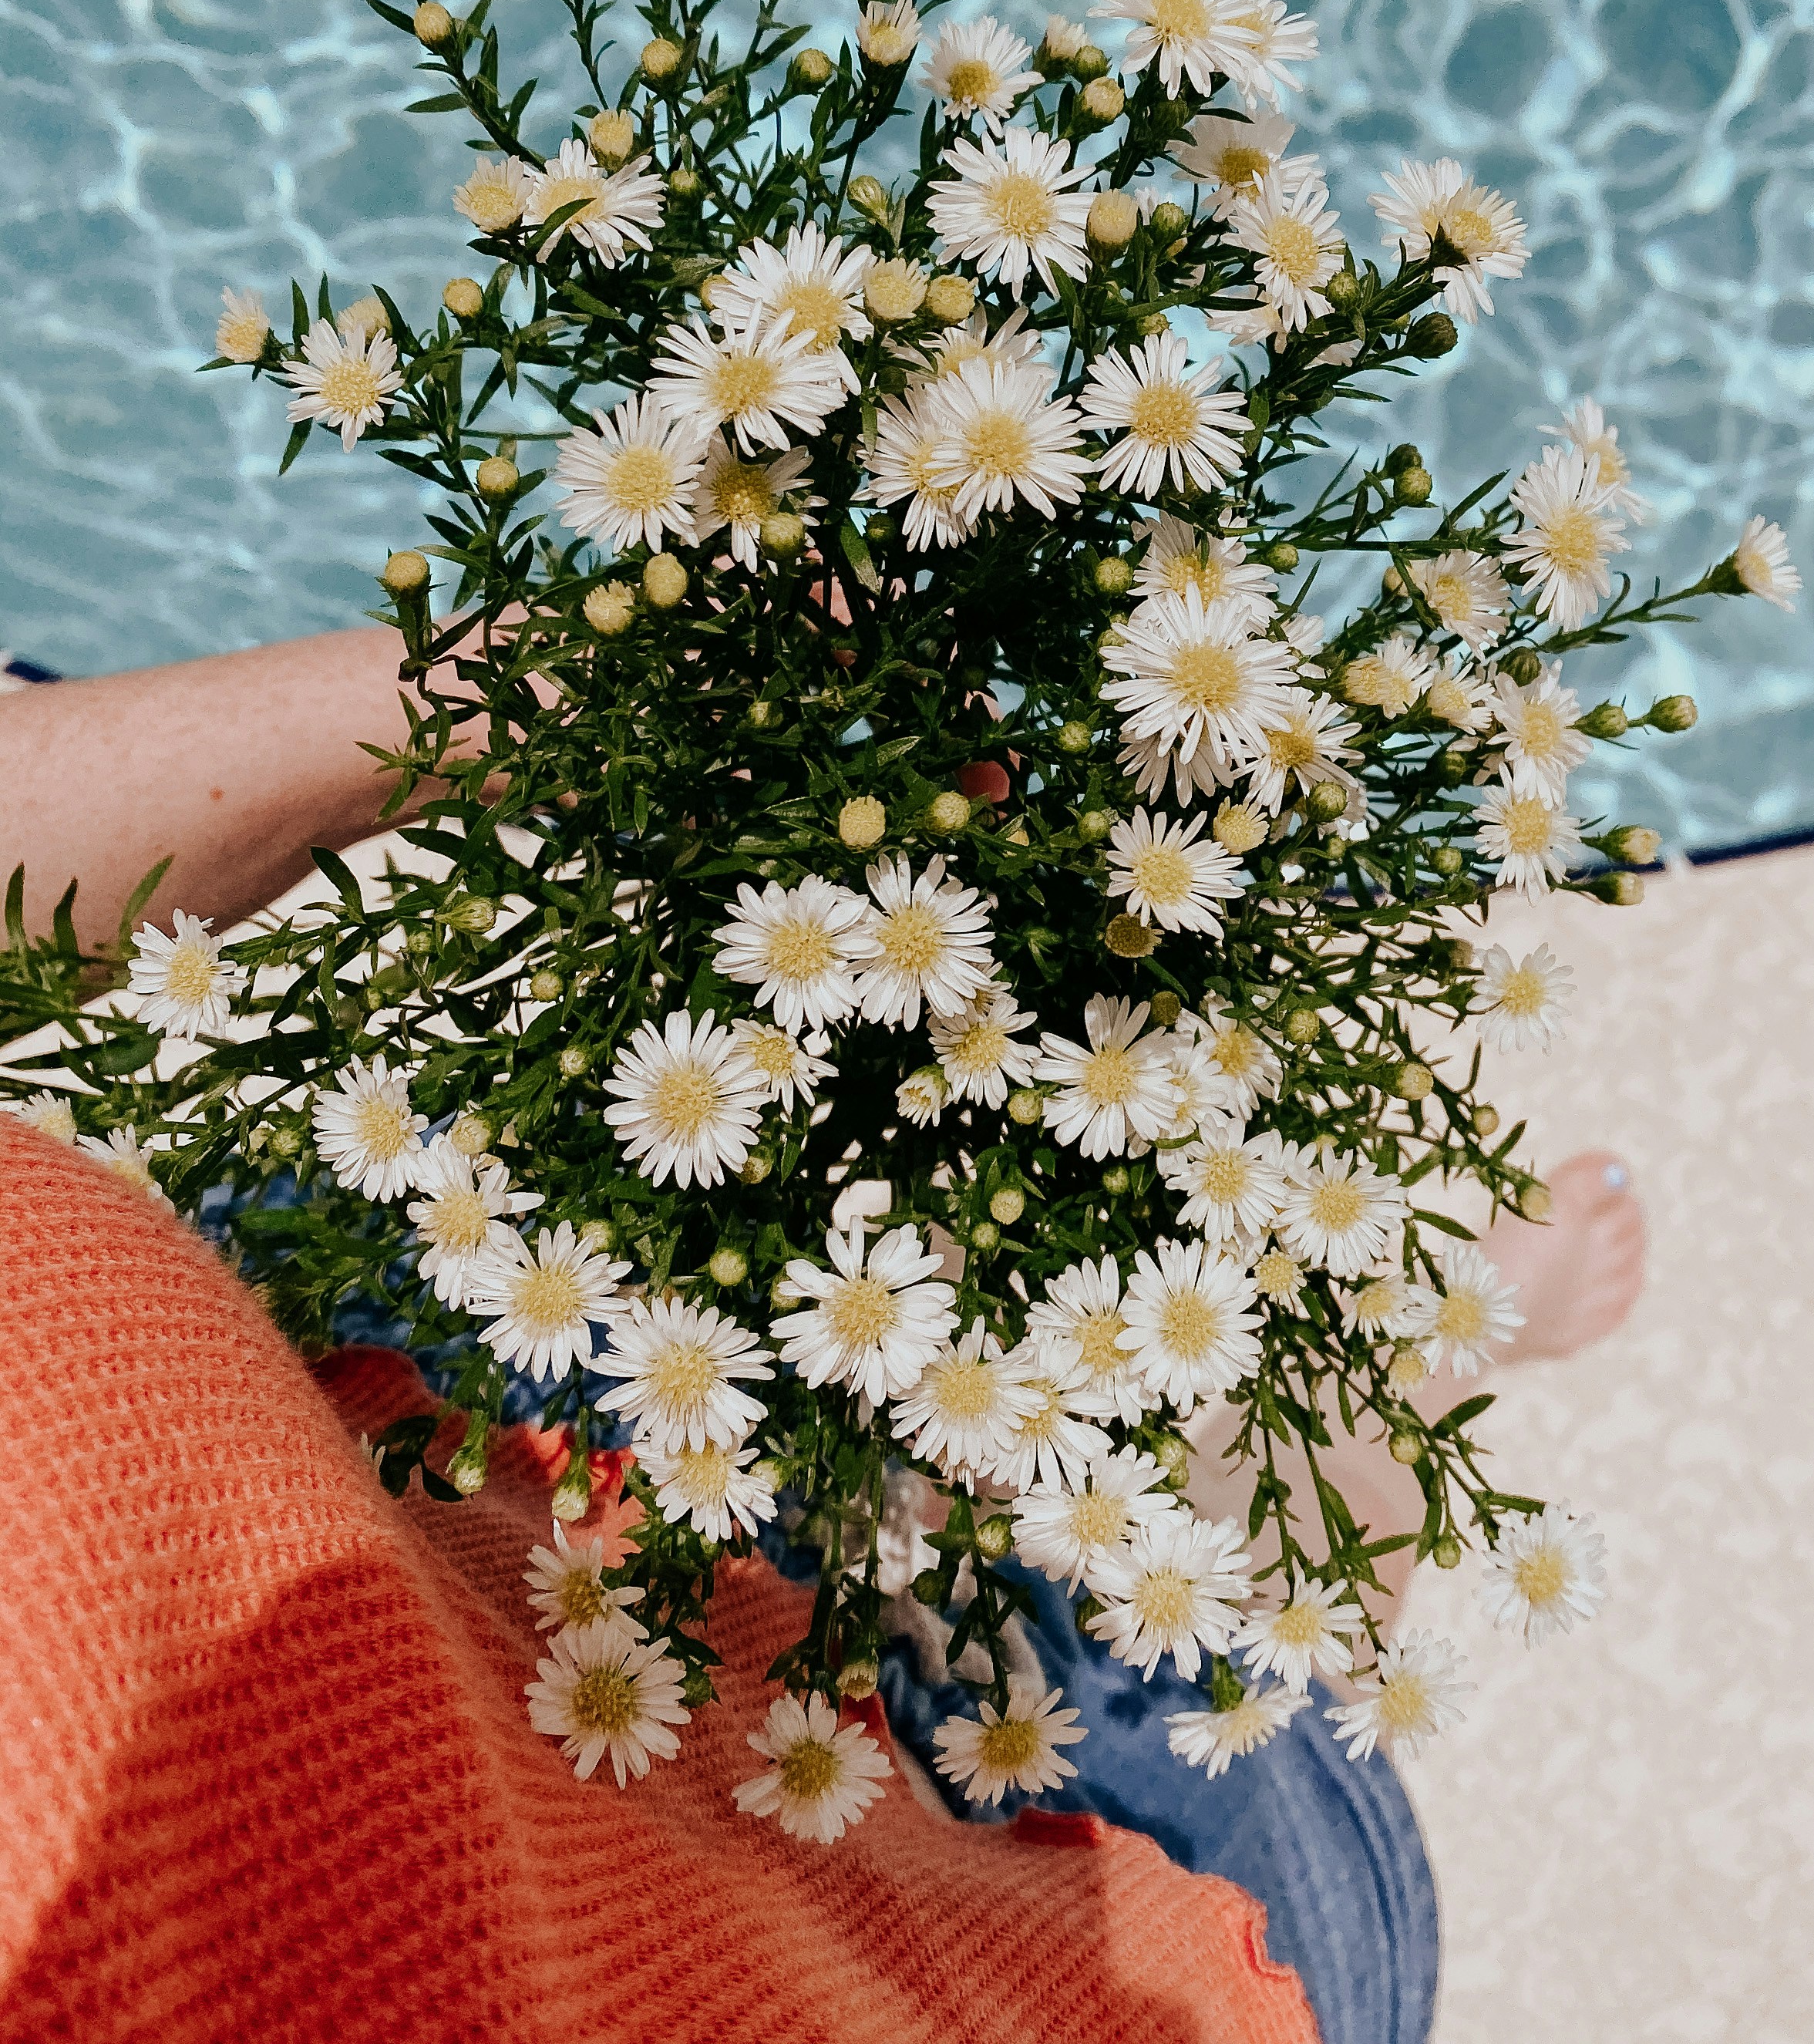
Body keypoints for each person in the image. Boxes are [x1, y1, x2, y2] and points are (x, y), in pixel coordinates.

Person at [0, 626, 1644, 2044]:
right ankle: (1412, 1357)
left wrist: (531, 677)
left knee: (929, 1296)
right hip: (935, 1914)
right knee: (1245, 1664)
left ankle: (1092, 1321)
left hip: (410, 1440)